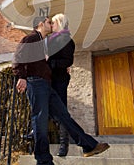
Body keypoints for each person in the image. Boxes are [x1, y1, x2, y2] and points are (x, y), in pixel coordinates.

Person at [12, 16, 109, 165]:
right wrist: (22, 77)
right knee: (40, 120)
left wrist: (60, 68)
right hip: (36, 83)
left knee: (64, 116)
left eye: (52, 22)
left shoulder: (43, 42)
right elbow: (18, 57)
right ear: (40, 24)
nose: (51, 25)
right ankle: (44, 160)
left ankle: (88, 145)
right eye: (48, 22)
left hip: (46, 85)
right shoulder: (31, 39)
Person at [45, 13, 75, 156]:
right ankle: (35, 132)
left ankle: (64, 145)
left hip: (60, 80)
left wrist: (50, 61)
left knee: (62, 111)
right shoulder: (51, 39)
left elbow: (67, 61)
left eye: (54, 23)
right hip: (49, 79)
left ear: (60, 23)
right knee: (46, 107)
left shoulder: (67, 40)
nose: (51, 25)